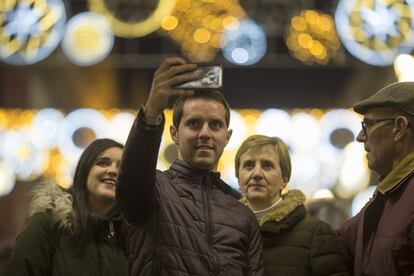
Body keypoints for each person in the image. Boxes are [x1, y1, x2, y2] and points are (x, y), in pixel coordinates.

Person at [116, 57, 264, 275]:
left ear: (227, 136)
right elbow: (131, 183)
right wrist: (151, 114)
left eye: (215, 125)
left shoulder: (243, 216)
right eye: (194, 124)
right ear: (174, 133)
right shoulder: (153, 191)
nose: (205, 133)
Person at [4, 138, 128, 276]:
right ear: (84, 171)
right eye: (103, 163)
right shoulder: (49, 222)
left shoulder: (130, 238)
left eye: (121, 167)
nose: (113, 171)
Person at [235, 134, 349, 276]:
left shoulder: (316, 234)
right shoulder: (224, 232)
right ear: (239, 179)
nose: (257, 173)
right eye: (249, 165)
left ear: (284, 179)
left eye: (267, 165)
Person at [338, 81, 414, 275]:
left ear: (399, 128)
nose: (360, 136)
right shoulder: (388, 192)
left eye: (368, 124)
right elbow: (335, 244)